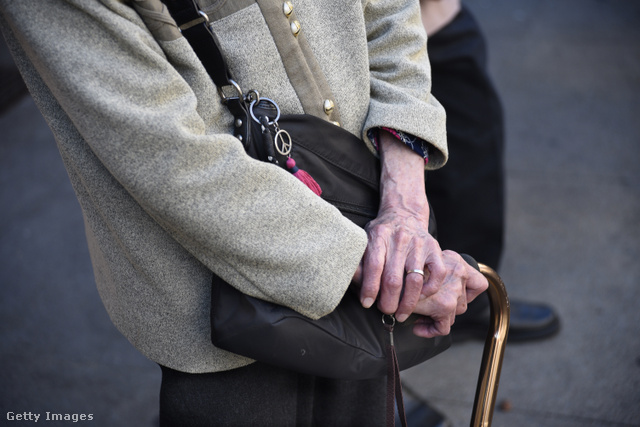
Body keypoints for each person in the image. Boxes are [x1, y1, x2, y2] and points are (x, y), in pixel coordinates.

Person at [0, 0, 487, 426]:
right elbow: (164, 156)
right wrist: (390, 269)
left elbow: (390, 14)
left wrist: (402, 205)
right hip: (216, 310)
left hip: (370, 228)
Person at [421, 0, 560, 342]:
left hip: (427, 24)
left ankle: (457, 299)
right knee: (465, 145)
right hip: (416, 27)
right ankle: (461, 302)